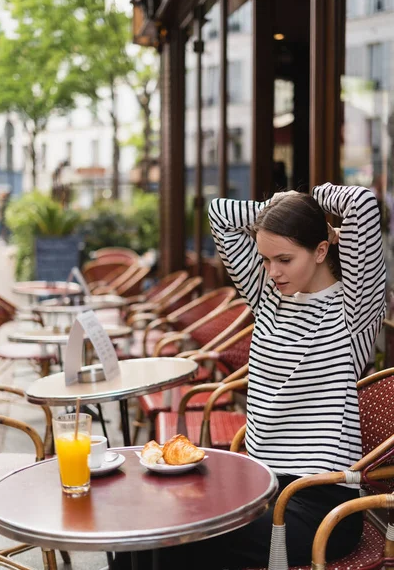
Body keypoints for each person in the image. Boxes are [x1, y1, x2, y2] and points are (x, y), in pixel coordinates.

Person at [115, 182, 386, 569]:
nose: (273, 271)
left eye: (285, 259)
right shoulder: (269, 297)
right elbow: (221, 214)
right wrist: (277, 207)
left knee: (171, 535)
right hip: (259, 484)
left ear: (322, 249)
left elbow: (360, 203)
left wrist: (306, 203)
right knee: (140, 526)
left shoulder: (354, 311)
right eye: (265, 259)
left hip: (317, 503)